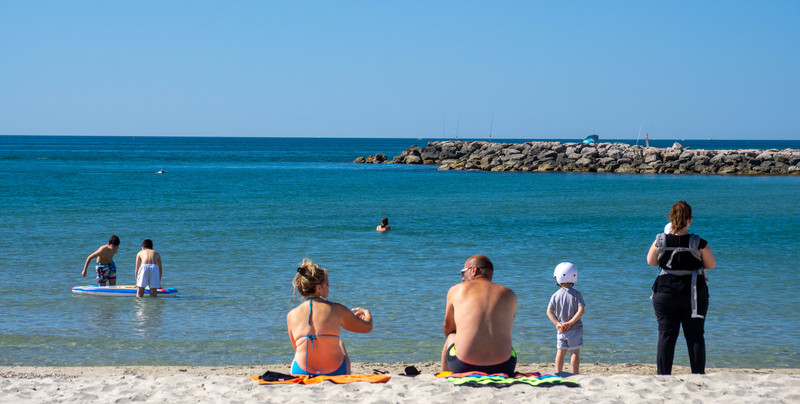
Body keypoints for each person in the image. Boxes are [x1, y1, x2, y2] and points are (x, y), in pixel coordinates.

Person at [647, 201, 716, 375]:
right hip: (693, 294)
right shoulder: (698, 242)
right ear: (690, 220)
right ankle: (698, 374)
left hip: (664, 293)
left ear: (671, 219)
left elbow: (651, 262)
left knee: (666, 335)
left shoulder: (660, 240)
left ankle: (663, 375)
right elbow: (711, 264)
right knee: (695, 335)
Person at [287, 258, 373, 376]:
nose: (329, 286)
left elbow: (296, 348)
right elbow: (367, 327)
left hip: (301, 371)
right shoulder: (337, 309)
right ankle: (346, 371)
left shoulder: (291, 315)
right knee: (340, 343)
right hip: (334, 371)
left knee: (300, 348)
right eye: (327, 284)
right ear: (318, 288)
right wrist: (367, 314)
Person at [441, 255, 518, 374]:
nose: (462, 278)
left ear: (474, 270)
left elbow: (448, 326)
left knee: (451, 335)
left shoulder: (457, 290)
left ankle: (445, 375)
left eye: (463, 272)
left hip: (463, 365)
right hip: (505, 366)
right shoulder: (510, 294)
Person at [546, 262, 586, 374]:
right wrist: (571, 322)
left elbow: (549, 311)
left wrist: (557, 324)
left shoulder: (555, 295)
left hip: (561, 329)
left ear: (558, 279)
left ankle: (559, 372)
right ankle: (575, 373)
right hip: (575, 329)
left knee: (560, 352)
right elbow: (581, 310)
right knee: (574, 352)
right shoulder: (577, 294)